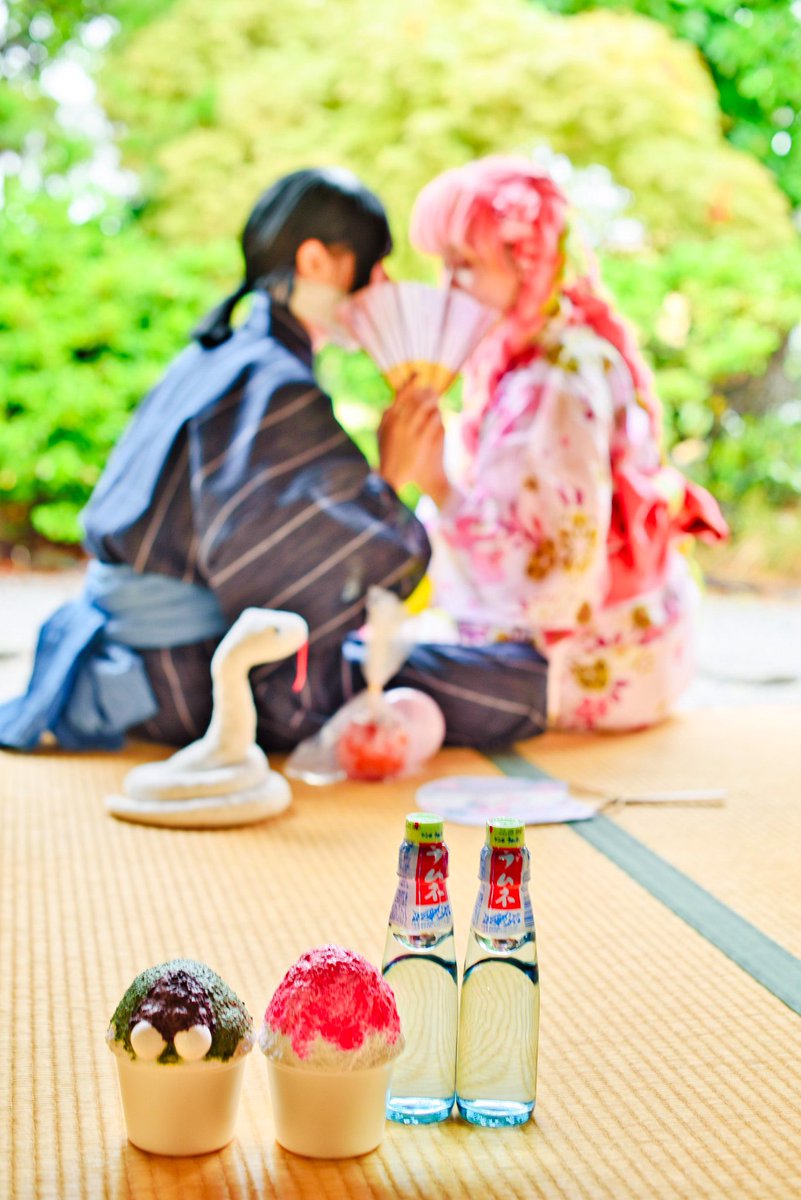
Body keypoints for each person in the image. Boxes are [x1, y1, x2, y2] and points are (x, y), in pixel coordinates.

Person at [0, 166, 547, 753]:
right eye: (375, 266)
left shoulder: (222, 355)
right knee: (513, 683)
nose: (385, 286)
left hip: (143, 652)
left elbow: (276, 548)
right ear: (316, 261)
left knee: (426, 664)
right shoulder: (271, 381)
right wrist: (390, 478)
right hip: (191, 676)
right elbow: (288, 588)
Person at [409, 155, 727, 730]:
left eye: (465, 265)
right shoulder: (549, 356)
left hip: (586, 663)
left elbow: (555, 583)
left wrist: (438, 486)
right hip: (630, 648)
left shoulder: (555, 379)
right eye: (445, 265)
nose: (448, 286)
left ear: (525, 262)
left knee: (376, 681)